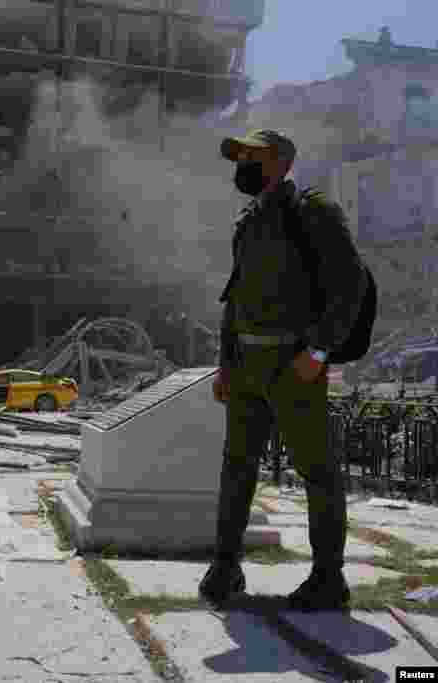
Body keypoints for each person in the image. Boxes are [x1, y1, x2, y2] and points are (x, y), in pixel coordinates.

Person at [200, 129, 368, 610]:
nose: (241, 166)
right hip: (246, 366)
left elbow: (350, 285)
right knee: (236, 467)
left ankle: (328, 577)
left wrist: (317, 353)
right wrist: (225, 365)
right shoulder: (248, 220)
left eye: (250, 157)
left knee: (317, 470)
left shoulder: (312, 211)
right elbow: (234, 299)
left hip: (293, 364)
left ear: (278, 162)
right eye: (239, 158)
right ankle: (225, 566)